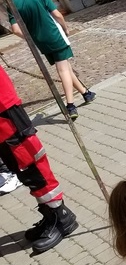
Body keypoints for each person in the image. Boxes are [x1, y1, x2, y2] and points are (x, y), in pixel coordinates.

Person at [0, 66, 77, 254]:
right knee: (18, 168)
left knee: (30, 163)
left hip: (4, 107)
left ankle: (61, 216)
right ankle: (50, 214)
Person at [4, 0, 96, 119]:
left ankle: (86, 93)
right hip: (55, 35)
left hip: (40, 41)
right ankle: (70, 105)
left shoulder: (12, 3)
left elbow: (15, 29)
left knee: (66, 67)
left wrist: (30, 38)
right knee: (63, 70)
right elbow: (57, 14)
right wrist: (65, 28)